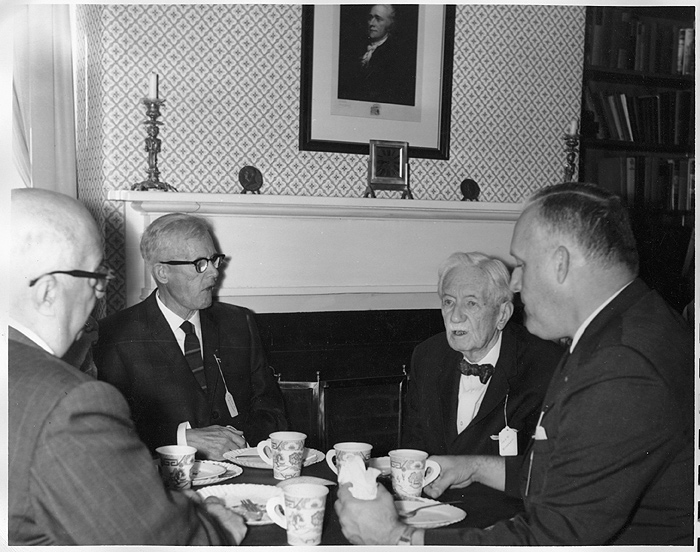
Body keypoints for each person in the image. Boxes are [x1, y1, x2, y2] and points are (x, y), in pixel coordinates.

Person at [335, 182, 693, 545]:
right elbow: (576, 474)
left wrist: (398, 537)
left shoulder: (621, 365)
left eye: (521, 264)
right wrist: (476, 466)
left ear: (560, 263)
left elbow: (552, 540)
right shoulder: (636, 325)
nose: (516, 284)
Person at [8, 188, 246, 545]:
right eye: (94, 277)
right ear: (47, 292)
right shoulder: (70, 401)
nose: (99, 293)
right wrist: (218, 528)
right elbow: (156, 541)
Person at [93, 213, 287, 460]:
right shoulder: (116, 335)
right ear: (162, 273)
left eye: (214, 260)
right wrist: (180, 439)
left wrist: (236, 442)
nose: (214, 273)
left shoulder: (239, 323)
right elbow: (110, 430)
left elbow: (272, 409)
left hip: (240, 469)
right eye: (200, 264)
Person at [402, 252, 563, 493]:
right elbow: (412, 449)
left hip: (506, 510)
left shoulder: (544, 364)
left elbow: (551, 472)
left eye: (471, 303)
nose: (455, 316)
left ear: (502, 315)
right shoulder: (427, 356)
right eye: (448, 302)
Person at [337, 4, 417, 106]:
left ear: (390, 24)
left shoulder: (396, 55)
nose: (372, 23)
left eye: (378, 19)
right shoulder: (354, 48)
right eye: (370, 18)